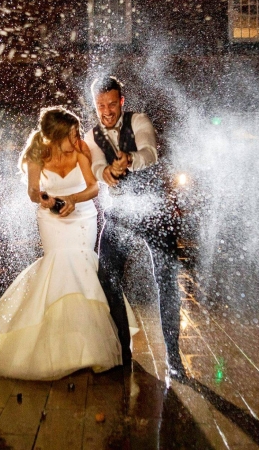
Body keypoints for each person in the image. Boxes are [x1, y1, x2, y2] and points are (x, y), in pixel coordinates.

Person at [0, 107, 137, 381]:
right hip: (51, 219)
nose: (78, 139)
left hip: (82, 216)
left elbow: (93, 187)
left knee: (83, 267)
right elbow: (32, 191)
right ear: (55, 135)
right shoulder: (36, 155)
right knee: (59, 264)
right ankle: (57, 345)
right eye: (73, 134)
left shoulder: (80, 151)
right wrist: (45, 198)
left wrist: (73, 200)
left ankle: (88, 346)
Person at [84, 75, 186, 378]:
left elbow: (150, 152)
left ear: (122, 102)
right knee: (107, 278)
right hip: (120, 215)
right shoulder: (91, 136)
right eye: (101, 105)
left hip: (155, 212)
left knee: (166, 281)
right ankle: (122, 352)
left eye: (112, 104)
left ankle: (174, 357)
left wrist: (129, 160)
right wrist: (106, 172)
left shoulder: (138, 120)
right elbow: (95, 165)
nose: (107, 110)